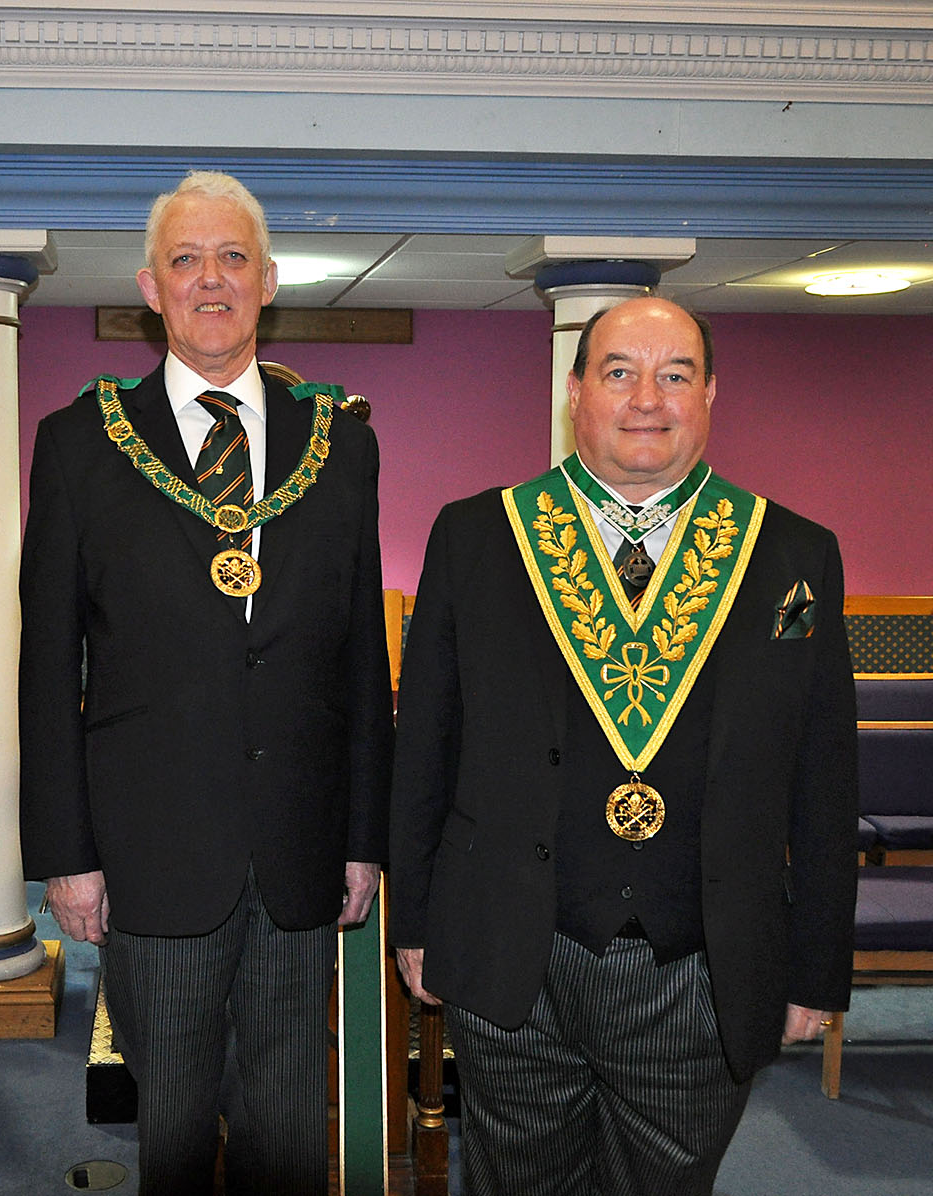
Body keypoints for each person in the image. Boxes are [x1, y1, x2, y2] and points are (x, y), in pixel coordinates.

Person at [390, 296, 858, 1196]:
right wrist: (416, 924)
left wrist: (816, 967)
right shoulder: (478, 537)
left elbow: (825, 780)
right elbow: (427, 749)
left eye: (676, 374)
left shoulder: (794, 555)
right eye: (620, 372)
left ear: (712, 393)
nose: (649, 397)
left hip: (704, 967)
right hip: (511, 955)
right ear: (577, 394)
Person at [18, 170, 393, 1195]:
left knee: (287, 1123)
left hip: (298, 848)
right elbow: (46, 664)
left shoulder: (342, 445)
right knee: (175, 1126)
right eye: (187, 259)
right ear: (151, 285)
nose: (211, 279)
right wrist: (64, 852)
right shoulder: (81, 443)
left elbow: (363, 652)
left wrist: (366, 834)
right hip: (148, 852)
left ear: (269, 280)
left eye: (233, 258)